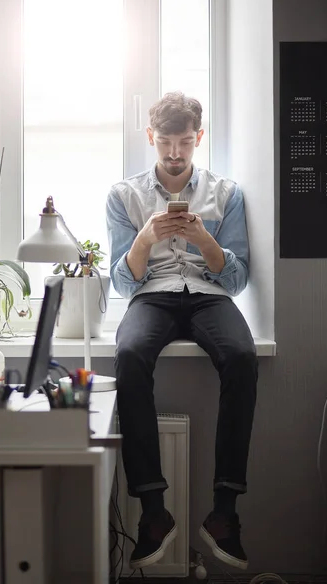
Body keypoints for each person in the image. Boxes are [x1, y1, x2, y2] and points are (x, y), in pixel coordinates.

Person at [106, 92, 258, 572]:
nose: (175, 153)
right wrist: (145, 239)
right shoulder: (123, 196)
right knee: (129, 354)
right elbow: (122, 280)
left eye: (185, 143)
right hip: (152, 293)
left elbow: (235, 280)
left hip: (209, 295)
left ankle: (224, 510)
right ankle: (153, 510)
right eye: (166, 142)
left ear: (199, 139)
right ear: (151, 138)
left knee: (241, 355)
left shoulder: (226, 194)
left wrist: (205, 240)